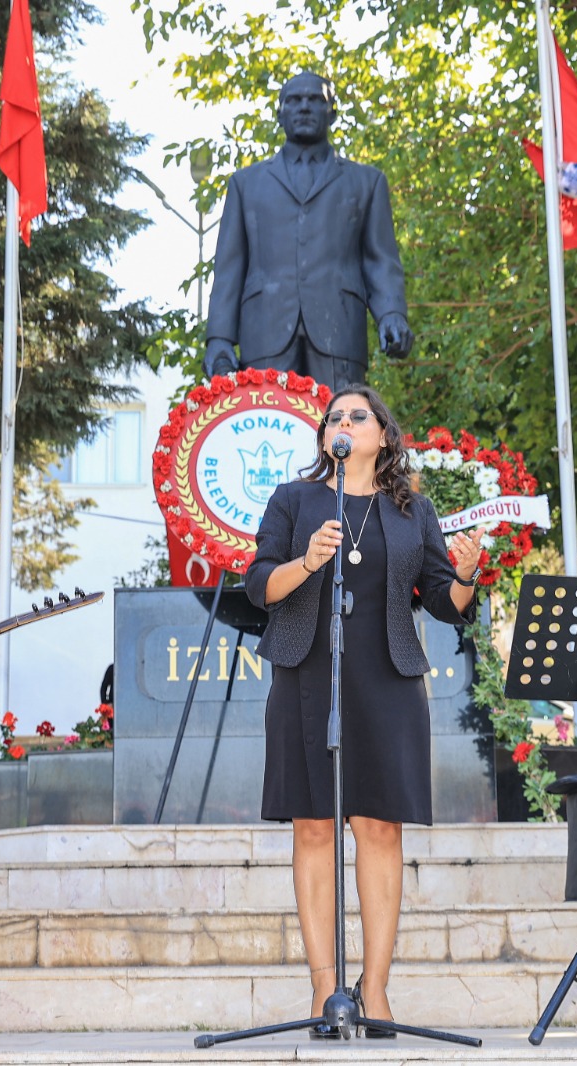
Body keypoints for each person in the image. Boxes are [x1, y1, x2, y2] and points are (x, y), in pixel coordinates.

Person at [244, 384, 484, 1036]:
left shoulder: (413, 509)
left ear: (382, 433)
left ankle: (374, 991)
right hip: (305, 677)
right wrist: (307, 560)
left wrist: (464, 575)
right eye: (333, 417)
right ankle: (327, 991)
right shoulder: (294, 500)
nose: (341, 422)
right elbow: (258, 583)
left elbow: (441, 600)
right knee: (314, 828)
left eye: (356, 415)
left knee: (380, 829)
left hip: (387, 677)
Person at [202, 72, 412, 387]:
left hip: (339, 331)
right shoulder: (246, 185)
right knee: (267, 432)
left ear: (332, 112)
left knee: (342, 432)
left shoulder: (366, 183)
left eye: (315, 100)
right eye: (294, 100)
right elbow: (230, 268)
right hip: (264, 333)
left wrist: (392, 313)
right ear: (280, 113)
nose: (303, 107)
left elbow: (380, 260)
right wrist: (219, 338)